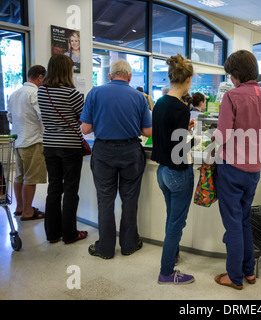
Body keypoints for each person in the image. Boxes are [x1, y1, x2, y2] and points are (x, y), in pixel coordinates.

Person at [213, 50, 261, 290]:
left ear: (237, 74)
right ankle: (249, 271)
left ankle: (234, 276)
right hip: (255, 169)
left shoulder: (232, 96)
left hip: (232, 167)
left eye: (230, 74)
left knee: (232, 222)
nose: (230, 79)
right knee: (244, 220)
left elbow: (222, 136)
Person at [80, 60, 152, 259]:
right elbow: (148, 131)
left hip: (103, 152)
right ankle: (129, 244)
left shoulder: (95, 93)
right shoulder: (139, 97)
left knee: (105, 199)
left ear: (110, 76)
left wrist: (103, 122)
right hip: (131, 151)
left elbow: (85, 129)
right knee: (130, 199)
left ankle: (105, 248)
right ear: (129, 77)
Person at [151, 54, 197, 285]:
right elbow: (181, 149)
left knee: (171, 219)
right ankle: (166, 272)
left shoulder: (159, 102)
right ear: (188, 79)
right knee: (176, 224)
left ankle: (173, 255)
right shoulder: (182, 108)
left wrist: (183, 128)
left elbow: (165, 135)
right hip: (178, 173)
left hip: (162, 172)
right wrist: (194, 140)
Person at [37, 54, 87, 244]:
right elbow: (83, 119)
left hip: (49, 144)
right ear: (66, 70)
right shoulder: (72, 94)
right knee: (71, 190)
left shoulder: (42, 91)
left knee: (54, 189)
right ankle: (69, 233)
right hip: (70, 145)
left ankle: (52, 233)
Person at [7, 65, 47, 221]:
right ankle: (28, 211)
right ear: (39, 77)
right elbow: (42, 116)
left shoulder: (14, 94)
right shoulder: (35, 93)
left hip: (18, 141)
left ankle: (20, 207)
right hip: (33, 140)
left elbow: (10, 117)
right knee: (31, 178)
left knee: (19, 176)